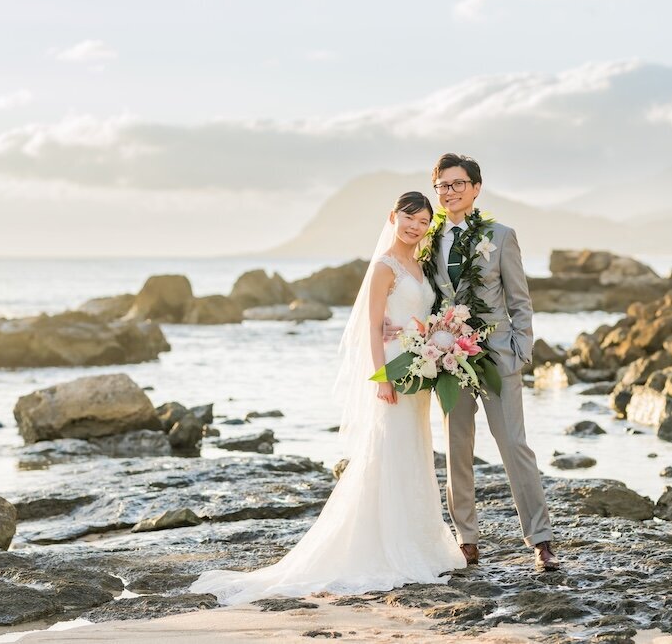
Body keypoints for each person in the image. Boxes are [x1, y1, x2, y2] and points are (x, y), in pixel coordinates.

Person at [190, 191, 466, 605]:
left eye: (423, 221)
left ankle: (418, 539)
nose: (415, 226)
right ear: (392, 217)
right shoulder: (383, 266)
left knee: (414, 449)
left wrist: (431, 342)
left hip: (417, 367)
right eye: (409, 218)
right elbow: (372, 327)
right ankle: (383, 546)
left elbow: (417, 316)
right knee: (388, 449)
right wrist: (380, 378)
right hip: (392, 367)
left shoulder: (420, 263)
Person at [423, 153, 559, 571]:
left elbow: (520, 300)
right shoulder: (428, 239)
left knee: (514, 445)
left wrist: (521, 350)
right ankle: (466, 539)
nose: (449, 192)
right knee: (457, 448)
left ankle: (541, 539)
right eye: (443, 185)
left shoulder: (501, 236)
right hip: (449, 359)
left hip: (499, 356)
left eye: (457, 184)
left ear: (476, 188)